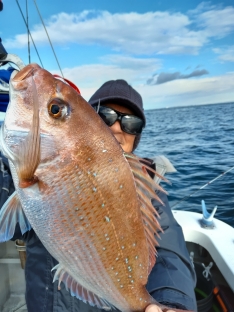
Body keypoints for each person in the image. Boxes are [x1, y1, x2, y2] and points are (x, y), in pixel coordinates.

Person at [0, 76, 197, 312]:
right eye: (105, 115)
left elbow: (168, 253)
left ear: (137, 137)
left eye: (131, 123)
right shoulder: (20, 169)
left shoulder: (149, 187)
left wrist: (172, 303)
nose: (116, 127)